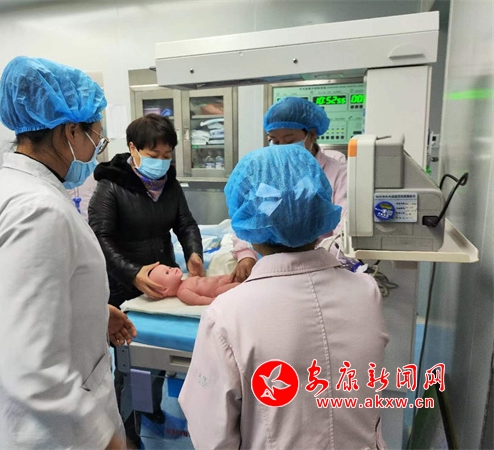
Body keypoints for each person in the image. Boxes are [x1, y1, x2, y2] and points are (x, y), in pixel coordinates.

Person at [179, 143, 388, 449]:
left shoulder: (228, 314)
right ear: (320, 210)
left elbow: (212, 435)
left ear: (248, 219)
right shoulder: (366, 292)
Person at [0, 56, 128, 449]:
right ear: (71, 131)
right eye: (96, 136)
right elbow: (32, 368)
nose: (97, 148)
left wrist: (91, 312)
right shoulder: (38, 209)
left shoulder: (2, 187)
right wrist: (104, 438)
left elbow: (21, 301)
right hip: (60, 435)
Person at [89, 113, 204, 448]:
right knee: (130, 365)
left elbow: (185, 223)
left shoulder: (169, 185)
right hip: (123, 285)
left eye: (167, 155)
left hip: (162, 282)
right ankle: (127, 428)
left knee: (158, 359)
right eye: (154, 155)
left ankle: (150, 408)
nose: (162, 162)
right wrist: (133, 273)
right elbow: (100, 238)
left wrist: (193, 252)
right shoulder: (111, 185)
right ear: (133, 149)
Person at [231, 96, 348, 282]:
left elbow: (344, 233)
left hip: (321, 268)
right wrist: (246, 254)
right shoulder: (268, 171)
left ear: (311, 134)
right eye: (275, 141)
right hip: (269, 265)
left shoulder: (339, 173)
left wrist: (307, 265)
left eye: (290, 140)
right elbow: (249, 216)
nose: (282, 149)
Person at [149, 264, 240, 305]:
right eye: (167, 272)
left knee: (239, 276)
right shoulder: (183, 292)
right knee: (239, 286)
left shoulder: (185, 280)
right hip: (217, 290)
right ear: (165, 289)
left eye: (169, 267)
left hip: (220, 280)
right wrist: (213, 301)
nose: (172, 269)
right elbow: (198, 300)